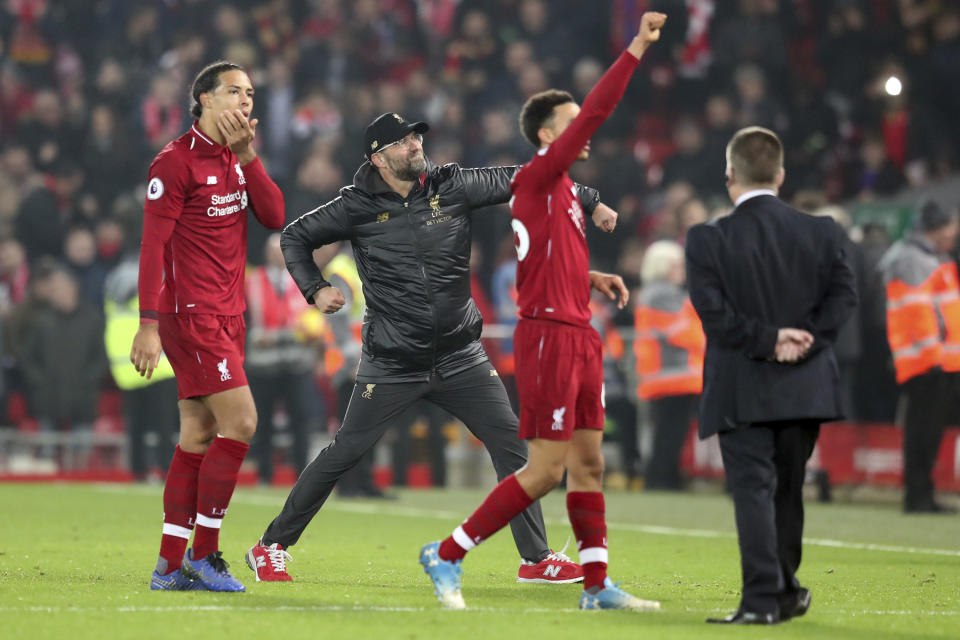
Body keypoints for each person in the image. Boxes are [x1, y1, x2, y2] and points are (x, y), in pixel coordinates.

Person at [246, 109, 619, 584]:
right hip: (393, 363)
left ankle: (536, 558)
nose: (417, 146)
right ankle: (270, 546)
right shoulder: (355, 206)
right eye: (404, 142)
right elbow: (294, 237)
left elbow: (528, 178)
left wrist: (590, 200)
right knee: (346, 451)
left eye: (417, 138)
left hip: (461, 355)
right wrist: (315, 289)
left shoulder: (454, 185)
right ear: (379, 158)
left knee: (513, 446)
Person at [419, 12, 667, 611]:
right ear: (547, 135)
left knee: (590, 464)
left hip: (578, 331)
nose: (584, 130)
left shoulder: (562, 195)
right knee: (547, 469)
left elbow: (545, 261)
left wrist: (593, 276)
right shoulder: (536, 176)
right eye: (570, 122)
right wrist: (634, 47)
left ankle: (597, 584)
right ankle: (446, 554)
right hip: (548, 336)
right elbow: (599, 110)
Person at [685, 126, 857, 624]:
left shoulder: (708, 238)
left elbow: (712, 314)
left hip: (743, 384)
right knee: (788, 489)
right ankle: (783, 592)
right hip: (805, 385)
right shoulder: (823, 230)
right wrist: (804, 340)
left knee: (754, 491)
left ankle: (763, 600)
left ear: (729, 174)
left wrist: (769, 341)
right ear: (780, 175)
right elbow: (844, 298)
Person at [129, 61, 285, 592]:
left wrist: (248, 158)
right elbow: (152, 248)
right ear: (203, 100)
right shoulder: (174, 163)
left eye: (250, 94)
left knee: (197, 434)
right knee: (241, 423)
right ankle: (206, 553)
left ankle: (169, 565)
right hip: (189, 316)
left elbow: (275, 215)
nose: (245, 102)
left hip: (229, 314)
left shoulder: (235, 159)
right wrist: (147, 324)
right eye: (234, 92)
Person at [878, 200, 960, 514]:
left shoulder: (929, 257)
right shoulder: (914, 260)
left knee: (928, 431)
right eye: (951, 226)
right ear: (938, 229)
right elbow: (918, 312)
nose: (955, 232)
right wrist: (933, 355)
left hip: (940, 359)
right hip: (927, 361)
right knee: (922, 432)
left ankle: (922, 494)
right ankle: (918, 496)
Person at [244, 233, 318, 485]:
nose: (278, 255)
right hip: (263, 365)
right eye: (273, 250)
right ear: (266, 254)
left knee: (301, 420)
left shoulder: (303, 279)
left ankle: (302, 475)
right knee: (263, 422)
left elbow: (314, 321)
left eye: (281, 250)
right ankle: (265, 474)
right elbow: (244, 321)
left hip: (297, 363)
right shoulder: (253, 280)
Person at [634, 240, 704, 490]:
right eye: (676, 265)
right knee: (670, 434)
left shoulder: (654, 294)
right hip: (673, 376)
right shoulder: (663, 294)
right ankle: (661, 481)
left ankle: (663, 479)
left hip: (667, 375)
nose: (681, 270)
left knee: (668, 432)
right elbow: (687, 332)